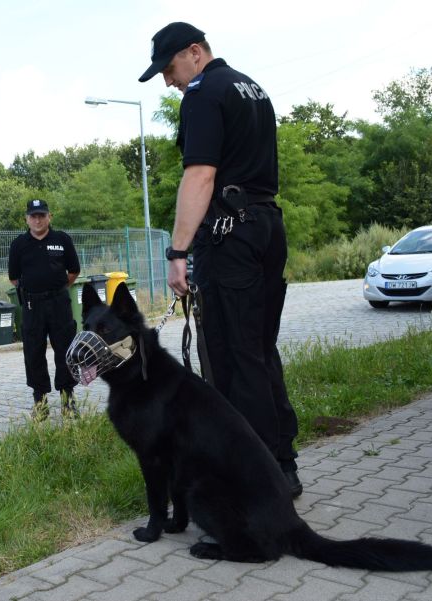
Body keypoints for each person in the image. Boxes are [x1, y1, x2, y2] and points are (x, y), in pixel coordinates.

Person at [138, 22, 302, 496]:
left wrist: (178, 251)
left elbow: (201, 176)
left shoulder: (204, 93)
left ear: (195, 51)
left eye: (170, 69)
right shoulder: (253, 88)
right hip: (267, 226)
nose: (170, 82)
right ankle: (282, 464)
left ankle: (255, 478)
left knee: (232, 357)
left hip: (231, 233)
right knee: (260, 350)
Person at [7, 199, 80, 421]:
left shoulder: (62, 240)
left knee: (65, 350)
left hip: (59, 303)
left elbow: (74, 270)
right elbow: (14, 277)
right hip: (32, 305)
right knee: (33, 352)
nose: (37, 220)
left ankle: (68, 400)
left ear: (50, 217)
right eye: (33, 216)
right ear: (27, 219)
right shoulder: (19, 244)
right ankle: (40, 401)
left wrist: (55, 289)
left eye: (41, 215)